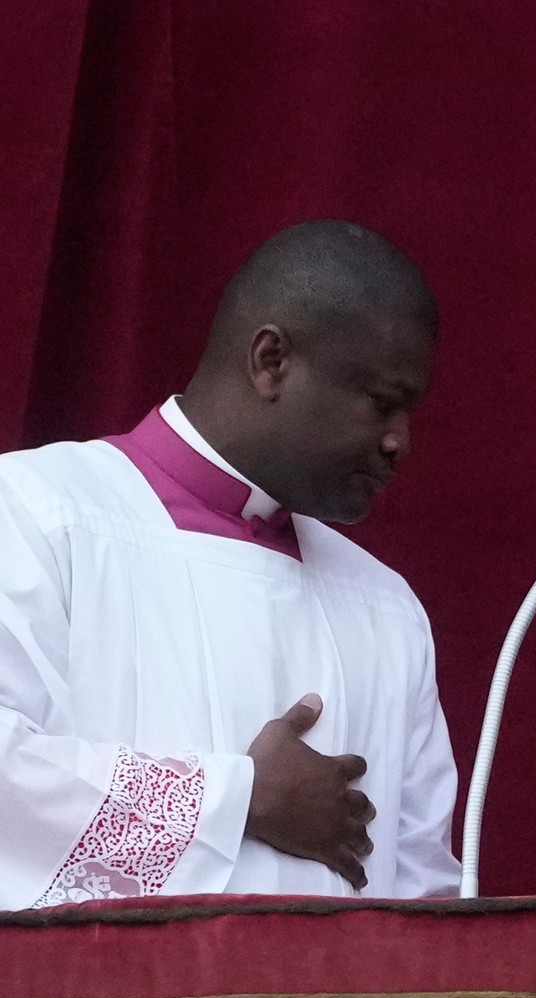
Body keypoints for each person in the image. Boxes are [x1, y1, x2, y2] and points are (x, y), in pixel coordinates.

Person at [0, 220, 460, 907]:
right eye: (382, 404)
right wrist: (238, 798)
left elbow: (425, 891)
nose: (399, 442)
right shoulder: (37, 511)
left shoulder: (385, 605)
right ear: (271, 360)